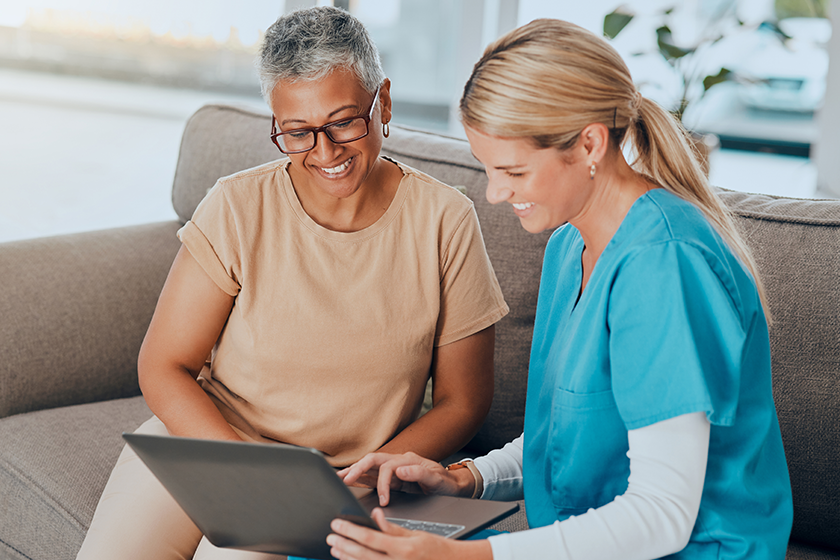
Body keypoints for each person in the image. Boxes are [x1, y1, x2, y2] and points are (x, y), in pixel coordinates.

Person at [328, 18, 793, 560]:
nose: (496, 193)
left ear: (590, 144)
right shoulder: (569, 246)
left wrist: (462, 557)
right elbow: (569, 434)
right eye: (487, 169)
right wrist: (465, 479)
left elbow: (662, 515)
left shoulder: (666, 266)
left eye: (514, 172)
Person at [76, 7, 508, 560]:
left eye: (345, 122)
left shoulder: (446, 220)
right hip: (210, 445)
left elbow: (463, 401)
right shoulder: (237, 205)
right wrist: (245, 474)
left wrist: (364, 476)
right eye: (298, 133)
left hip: (345, 478)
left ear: (385, 104)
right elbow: (164, 365)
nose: (326, 154)